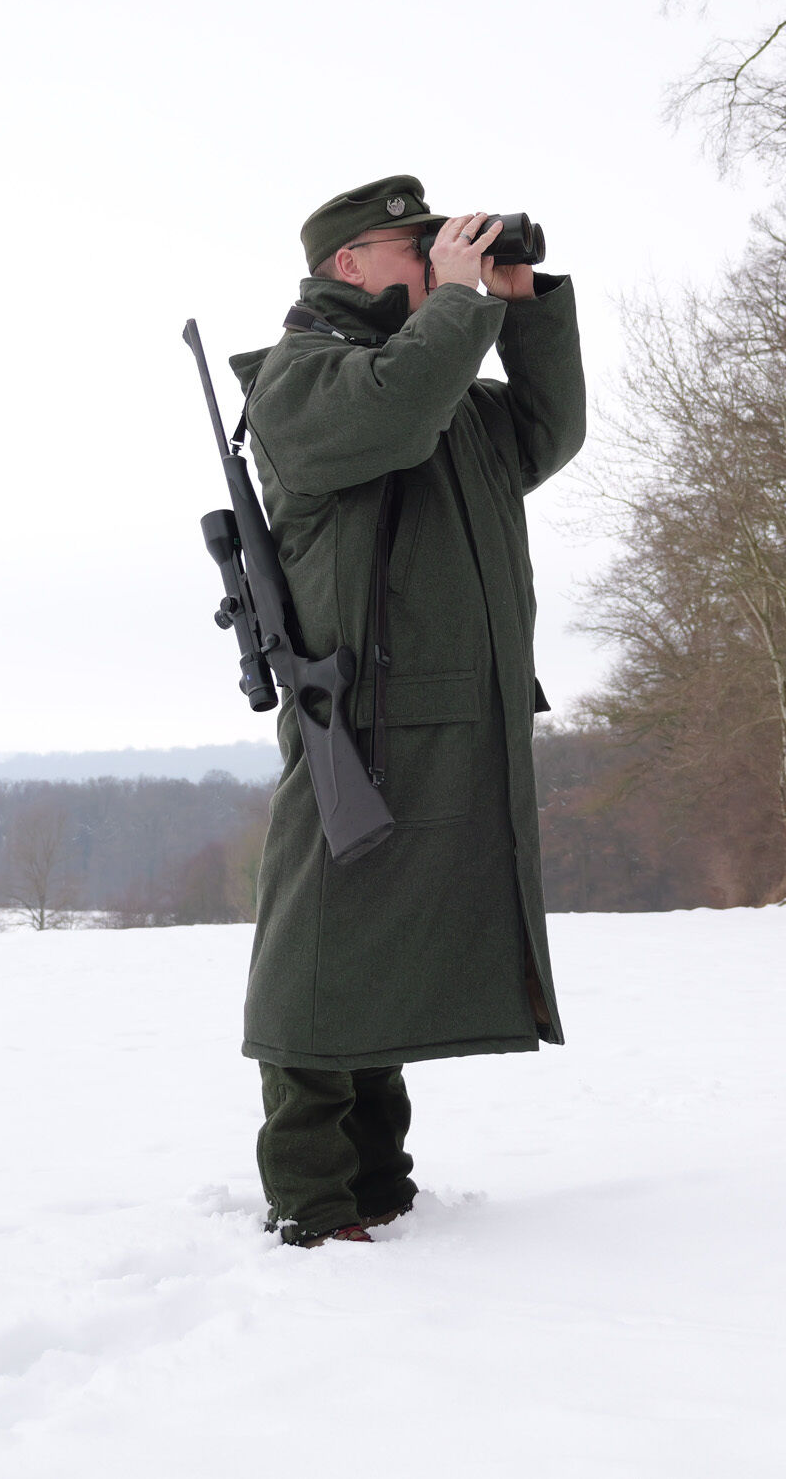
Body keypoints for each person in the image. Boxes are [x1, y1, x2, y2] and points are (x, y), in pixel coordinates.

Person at [224, 175, 585, 1247]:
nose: (437, 258)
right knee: (323, 952)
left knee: (381, 948)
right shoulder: (303, 380)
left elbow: (544, 435)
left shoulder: (443, 390)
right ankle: (312, 1190)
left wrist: (517, 304)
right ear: (348, 264)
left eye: (445, 246)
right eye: (412, 246)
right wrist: (461, 309)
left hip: (449, 721)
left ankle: (377, 1175)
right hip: (361, 723)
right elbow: (386, 408)